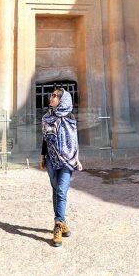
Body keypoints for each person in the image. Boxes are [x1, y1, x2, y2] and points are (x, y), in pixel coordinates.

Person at [39, 87, 83, 247]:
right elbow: (45, 139)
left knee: (61, 191)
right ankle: (62, 221)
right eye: (51, 95)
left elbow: (75, 139)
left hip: (68, 160)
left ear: (63, 100)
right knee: (56, 191)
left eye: (55, 96)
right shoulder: (47, 117)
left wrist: (76, 158)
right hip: (51, 158)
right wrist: (42, 156)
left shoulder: (71, 117)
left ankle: (57, 225)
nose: (51, 97)